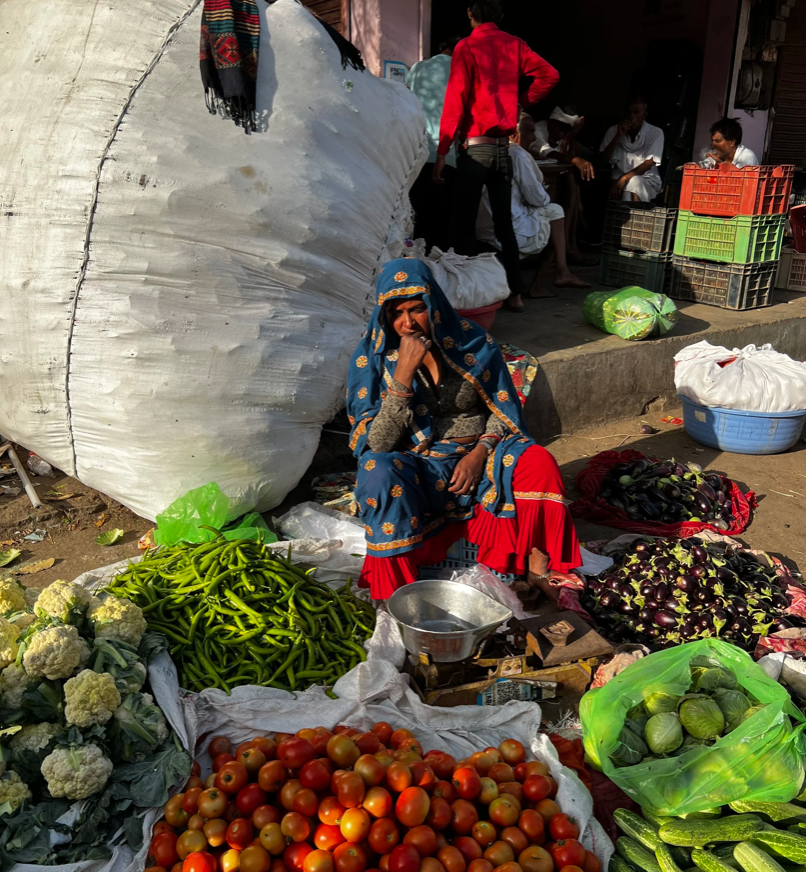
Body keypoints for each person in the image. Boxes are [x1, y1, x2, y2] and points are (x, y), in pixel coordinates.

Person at [346, 258, 582, 599]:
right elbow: (379, 445)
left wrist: (479, 452)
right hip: (419, 463)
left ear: (435, 305)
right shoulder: (375, 358)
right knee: (376, 471)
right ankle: (395, 595)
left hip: (483, 457)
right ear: (384, 315)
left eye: (417, 310)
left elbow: (503, 411)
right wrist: (403, 376)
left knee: (537, 461)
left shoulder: (472, 342)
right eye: (396, 313)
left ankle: (535, 565)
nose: (408, 323)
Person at [434, 0, 560, 313]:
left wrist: (441, 152)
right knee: (504, 224)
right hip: (503, 149)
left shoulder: (466, 47)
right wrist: (520, 102)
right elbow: (550, 75)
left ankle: (462, 295)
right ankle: (514, 293)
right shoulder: (515, 45)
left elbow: (455, 102)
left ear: (469, 14)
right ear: (500, 16)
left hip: (475, 148)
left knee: (461, 222)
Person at [476, 116, 591, 294]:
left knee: (546, 211)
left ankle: (561, 271)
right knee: (555, 211)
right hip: (507, 232)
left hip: (483, 227)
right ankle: (553, 277)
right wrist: (540, 194)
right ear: (514, 134)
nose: (534, 137)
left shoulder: (486, 149)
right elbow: (538, 199)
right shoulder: (517, 154)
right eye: (530, 132)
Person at [406, 38, 459, 252]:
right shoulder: (461, 70)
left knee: (417, 218)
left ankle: (415, 269)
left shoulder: (418, 68)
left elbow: (407, 101)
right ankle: (439, 271)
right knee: (443, 221)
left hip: (417, 152)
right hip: (447, 154)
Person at [600, 97, 664, 202]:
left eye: (636, 113)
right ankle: (632, 217)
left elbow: (649, 163)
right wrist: (618, 137)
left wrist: (624, 178)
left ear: (645, 115)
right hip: (617, 181)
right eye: (628, 113)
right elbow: (602, 161)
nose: (631, 117)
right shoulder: (613, 131)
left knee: (635, 182)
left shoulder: (655, 132)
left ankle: (626, 216)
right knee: (632, 184)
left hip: (647, 181)